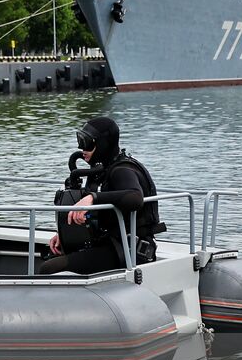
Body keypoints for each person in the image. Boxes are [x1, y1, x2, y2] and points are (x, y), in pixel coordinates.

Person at [42, 116, 163, 274]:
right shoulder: (101, 171)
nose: (82, 148)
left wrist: (93, 197)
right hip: (108, 242)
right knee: (50, 256)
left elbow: (135, 197)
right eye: (80, 141)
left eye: (87, 143)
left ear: (102, 144)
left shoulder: (122, 170)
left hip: (128, 250)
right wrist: (65, 235)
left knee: (49, 269)